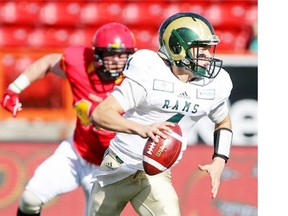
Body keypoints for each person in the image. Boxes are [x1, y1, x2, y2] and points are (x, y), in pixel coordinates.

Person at [87, 12, 233, 216]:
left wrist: (219, 160)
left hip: (156, 175)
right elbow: (101, 114)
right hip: (117, 167)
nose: (209, 55)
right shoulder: (149, 70)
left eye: (209, 48)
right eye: (201, 48)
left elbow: (223, 121)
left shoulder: (213, 85)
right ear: (178, 48)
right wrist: (142, 129)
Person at [0, 22, 136, 216]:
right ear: (97, 55)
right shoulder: (80, 64)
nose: (117, 61)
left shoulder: (135, 82)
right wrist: (15, 88)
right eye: (110, 54)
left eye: (123, 55)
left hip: (110, 167)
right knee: (30, 199)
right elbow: (47, 62)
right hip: (76, 154)